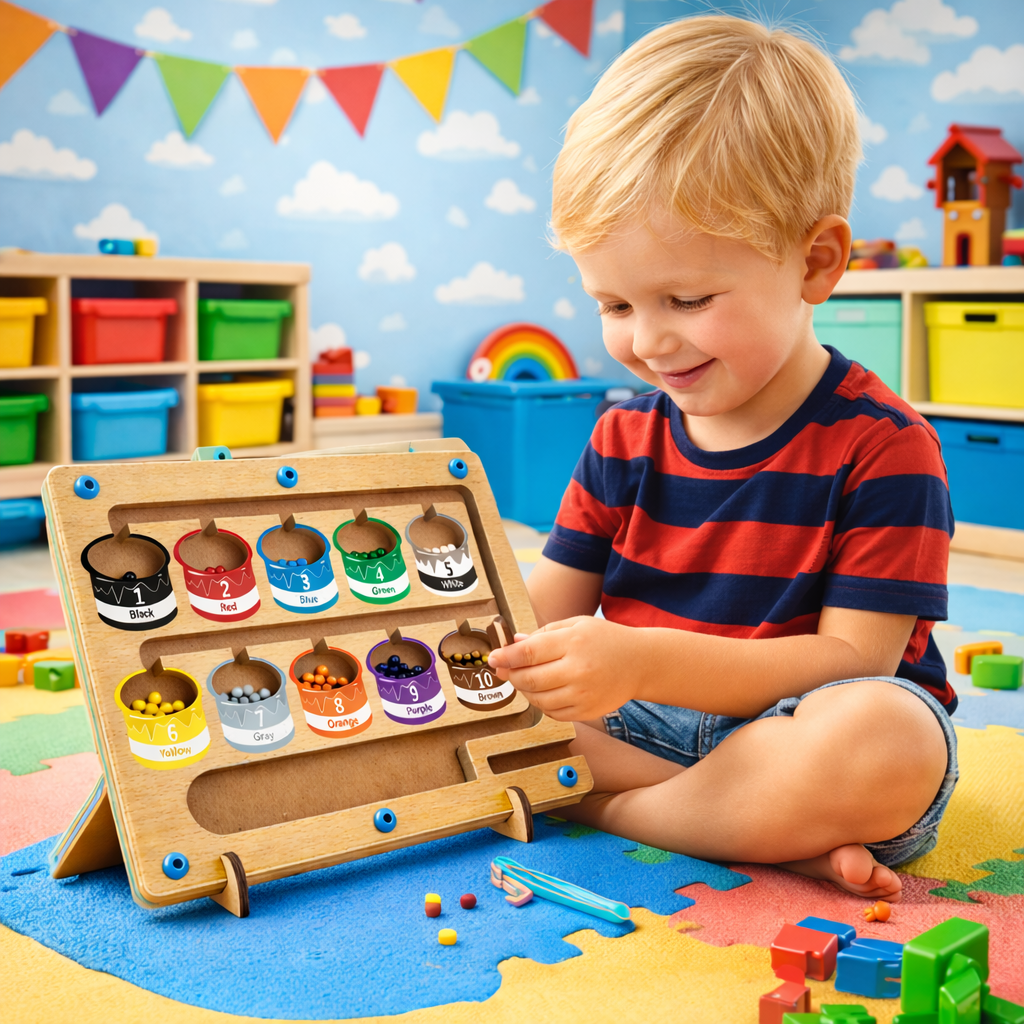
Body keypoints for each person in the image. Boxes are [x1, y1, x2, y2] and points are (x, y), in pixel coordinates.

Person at [487, 15, 957, 901]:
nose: (648, 340)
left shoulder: (886, 447)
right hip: (629, 727)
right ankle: (746, 830)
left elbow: (850, 663)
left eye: (688, 298)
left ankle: (613, 812)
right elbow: (543, 616)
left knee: (889, 739)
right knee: (460, 713)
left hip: (798, 730)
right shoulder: (622, 436)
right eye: (614, 303)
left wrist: (639, 659)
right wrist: (497, 655)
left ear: (815, 263)